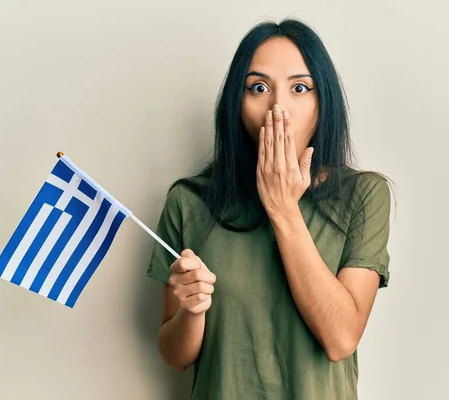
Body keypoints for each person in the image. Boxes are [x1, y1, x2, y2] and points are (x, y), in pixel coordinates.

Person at [147, 18, 393, 400]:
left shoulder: (363, 195)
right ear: (237, 103)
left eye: (299, 88)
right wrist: (192, 311)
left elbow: (341, 338)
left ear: (322, 101)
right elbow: (174, 356)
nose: (278, 108)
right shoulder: (189, 201)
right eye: (259, 88)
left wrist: (283, 210)